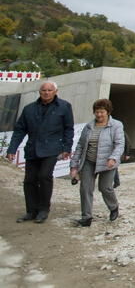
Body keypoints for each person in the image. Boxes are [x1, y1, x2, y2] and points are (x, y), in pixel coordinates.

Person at [6, 81, 75, 224]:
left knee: (44, 176)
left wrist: (67, 148)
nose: (46, 92)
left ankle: (43, 209)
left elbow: (69, 128)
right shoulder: (29, 109)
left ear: (55, 91)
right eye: (44, 90)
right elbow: (19, 130)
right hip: (32, 149)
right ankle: (31, 211)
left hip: (52, 149)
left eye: (50, 90)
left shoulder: (64, 107)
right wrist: (12, 149)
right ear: (39, 92)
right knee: (29, 180)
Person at [69, 99, 125, 227]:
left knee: (105, 188)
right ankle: (86, 217)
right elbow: (80, 146)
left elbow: (120, 144)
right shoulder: (89, 127)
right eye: (96, 112)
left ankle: (113, 207)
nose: (99, 115)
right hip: (89, 161)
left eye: (102, 112)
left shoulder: (116, 125)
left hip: (107, 162)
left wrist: (113, 158)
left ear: (108, 112)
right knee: (85, 189)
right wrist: (74, 165)